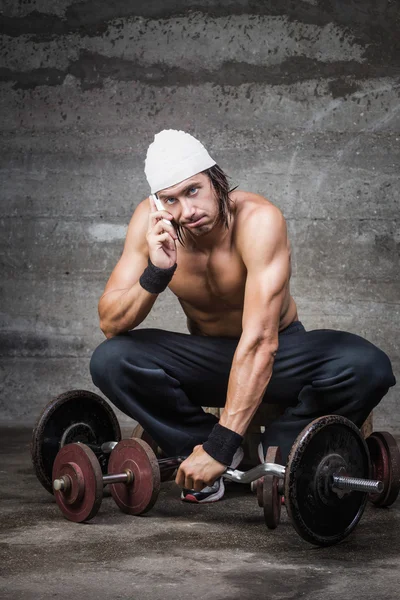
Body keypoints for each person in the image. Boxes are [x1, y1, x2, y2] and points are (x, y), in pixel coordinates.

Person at [90, 129, 396, 503]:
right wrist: (156, 272)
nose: (187, 211)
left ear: (216, 180)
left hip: (282, 353)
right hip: (209, 358)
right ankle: (199, 444)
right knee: (111, 359)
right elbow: (110, 323)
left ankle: (283, 447)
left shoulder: (259, 220)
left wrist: (222, 442)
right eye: (171, 199)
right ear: (158, 203)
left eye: (193, 190)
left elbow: (261, 342)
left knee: (368, 367)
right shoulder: (150, 226)